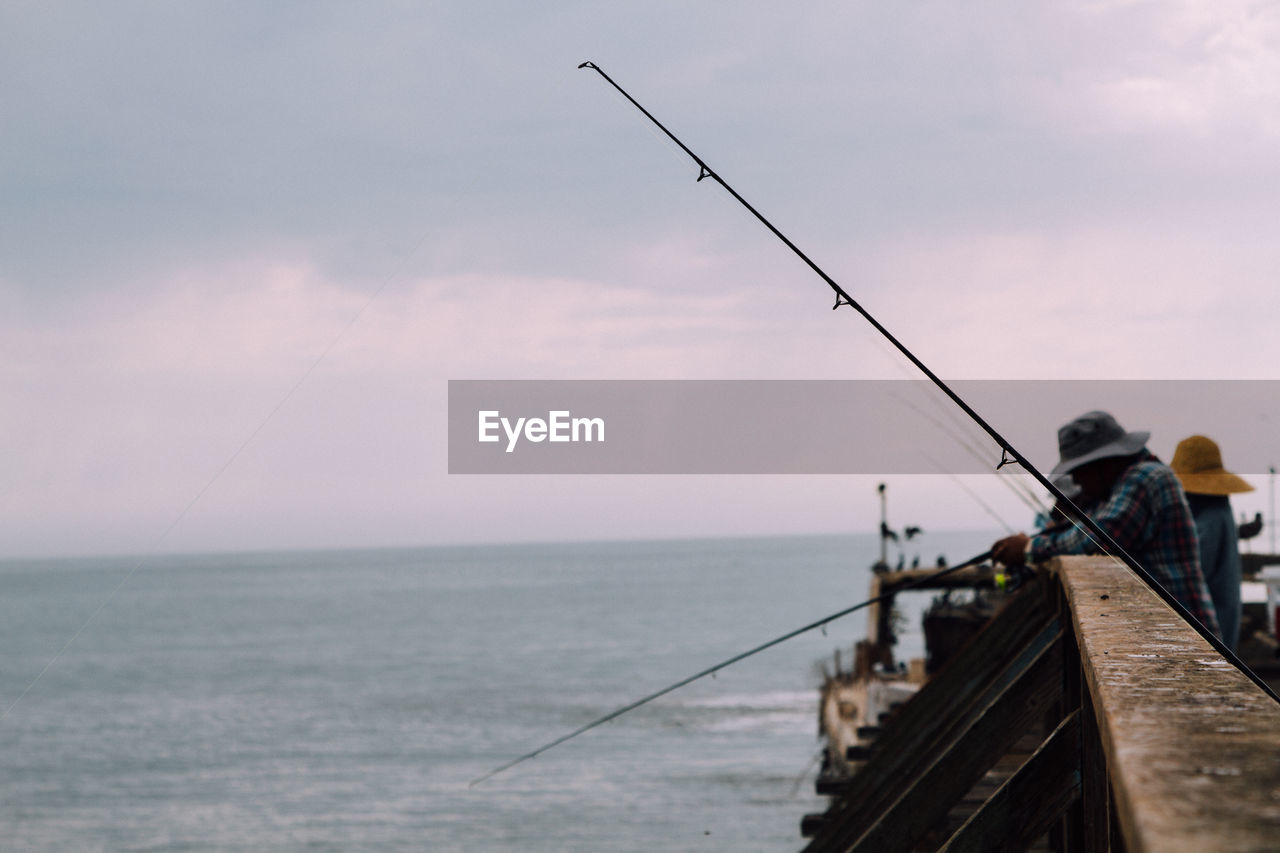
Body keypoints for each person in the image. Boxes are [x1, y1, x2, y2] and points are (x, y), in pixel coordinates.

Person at [991, 411, 1221, 637]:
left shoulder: (1147, 478)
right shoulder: (1115, 490)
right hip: (1168, 629)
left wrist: (1029, 548)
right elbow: (1083, 528)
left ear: (1103, 463)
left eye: (1080, 471)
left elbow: (1098, 537)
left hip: (1189, 634)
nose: (1077, 481)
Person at [1171, 435, 1253, 651]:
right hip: (1221, 625)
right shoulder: (1219, 510)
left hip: (1211, 631)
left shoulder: (1210, 518)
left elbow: (1191, 569)